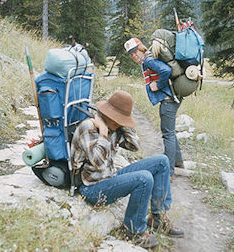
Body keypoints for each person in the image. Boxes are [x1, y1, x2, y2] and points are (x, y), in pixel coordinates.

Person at [71, 90, 184, 249]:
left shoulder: (115, 127)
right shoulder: (88, 127)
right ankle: (133, 230)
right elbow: (99, 165)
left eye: (121, 119)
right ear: (106, 113)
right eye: (116, 119)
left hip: (109, 178)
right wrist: (103, 135)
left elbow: (134, 145)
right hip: (92, 188)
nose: (118, 123)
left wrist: (123, 125)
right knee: (144, 179)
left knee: (162, 161)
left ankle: (157, 217)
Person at [124, 37, 184, 179]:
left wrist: (158, 85)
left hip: (167, 99)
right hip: (171, 98)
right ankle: (178, 162)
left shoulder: (148, 60)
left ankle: (168, 172)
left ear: (141, 48)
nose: (134, 56)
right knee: (170, 130)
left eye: (135, 52)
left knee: (167, 134)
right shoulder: (149, 58)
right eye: (131, 54)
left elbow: (165, 71)